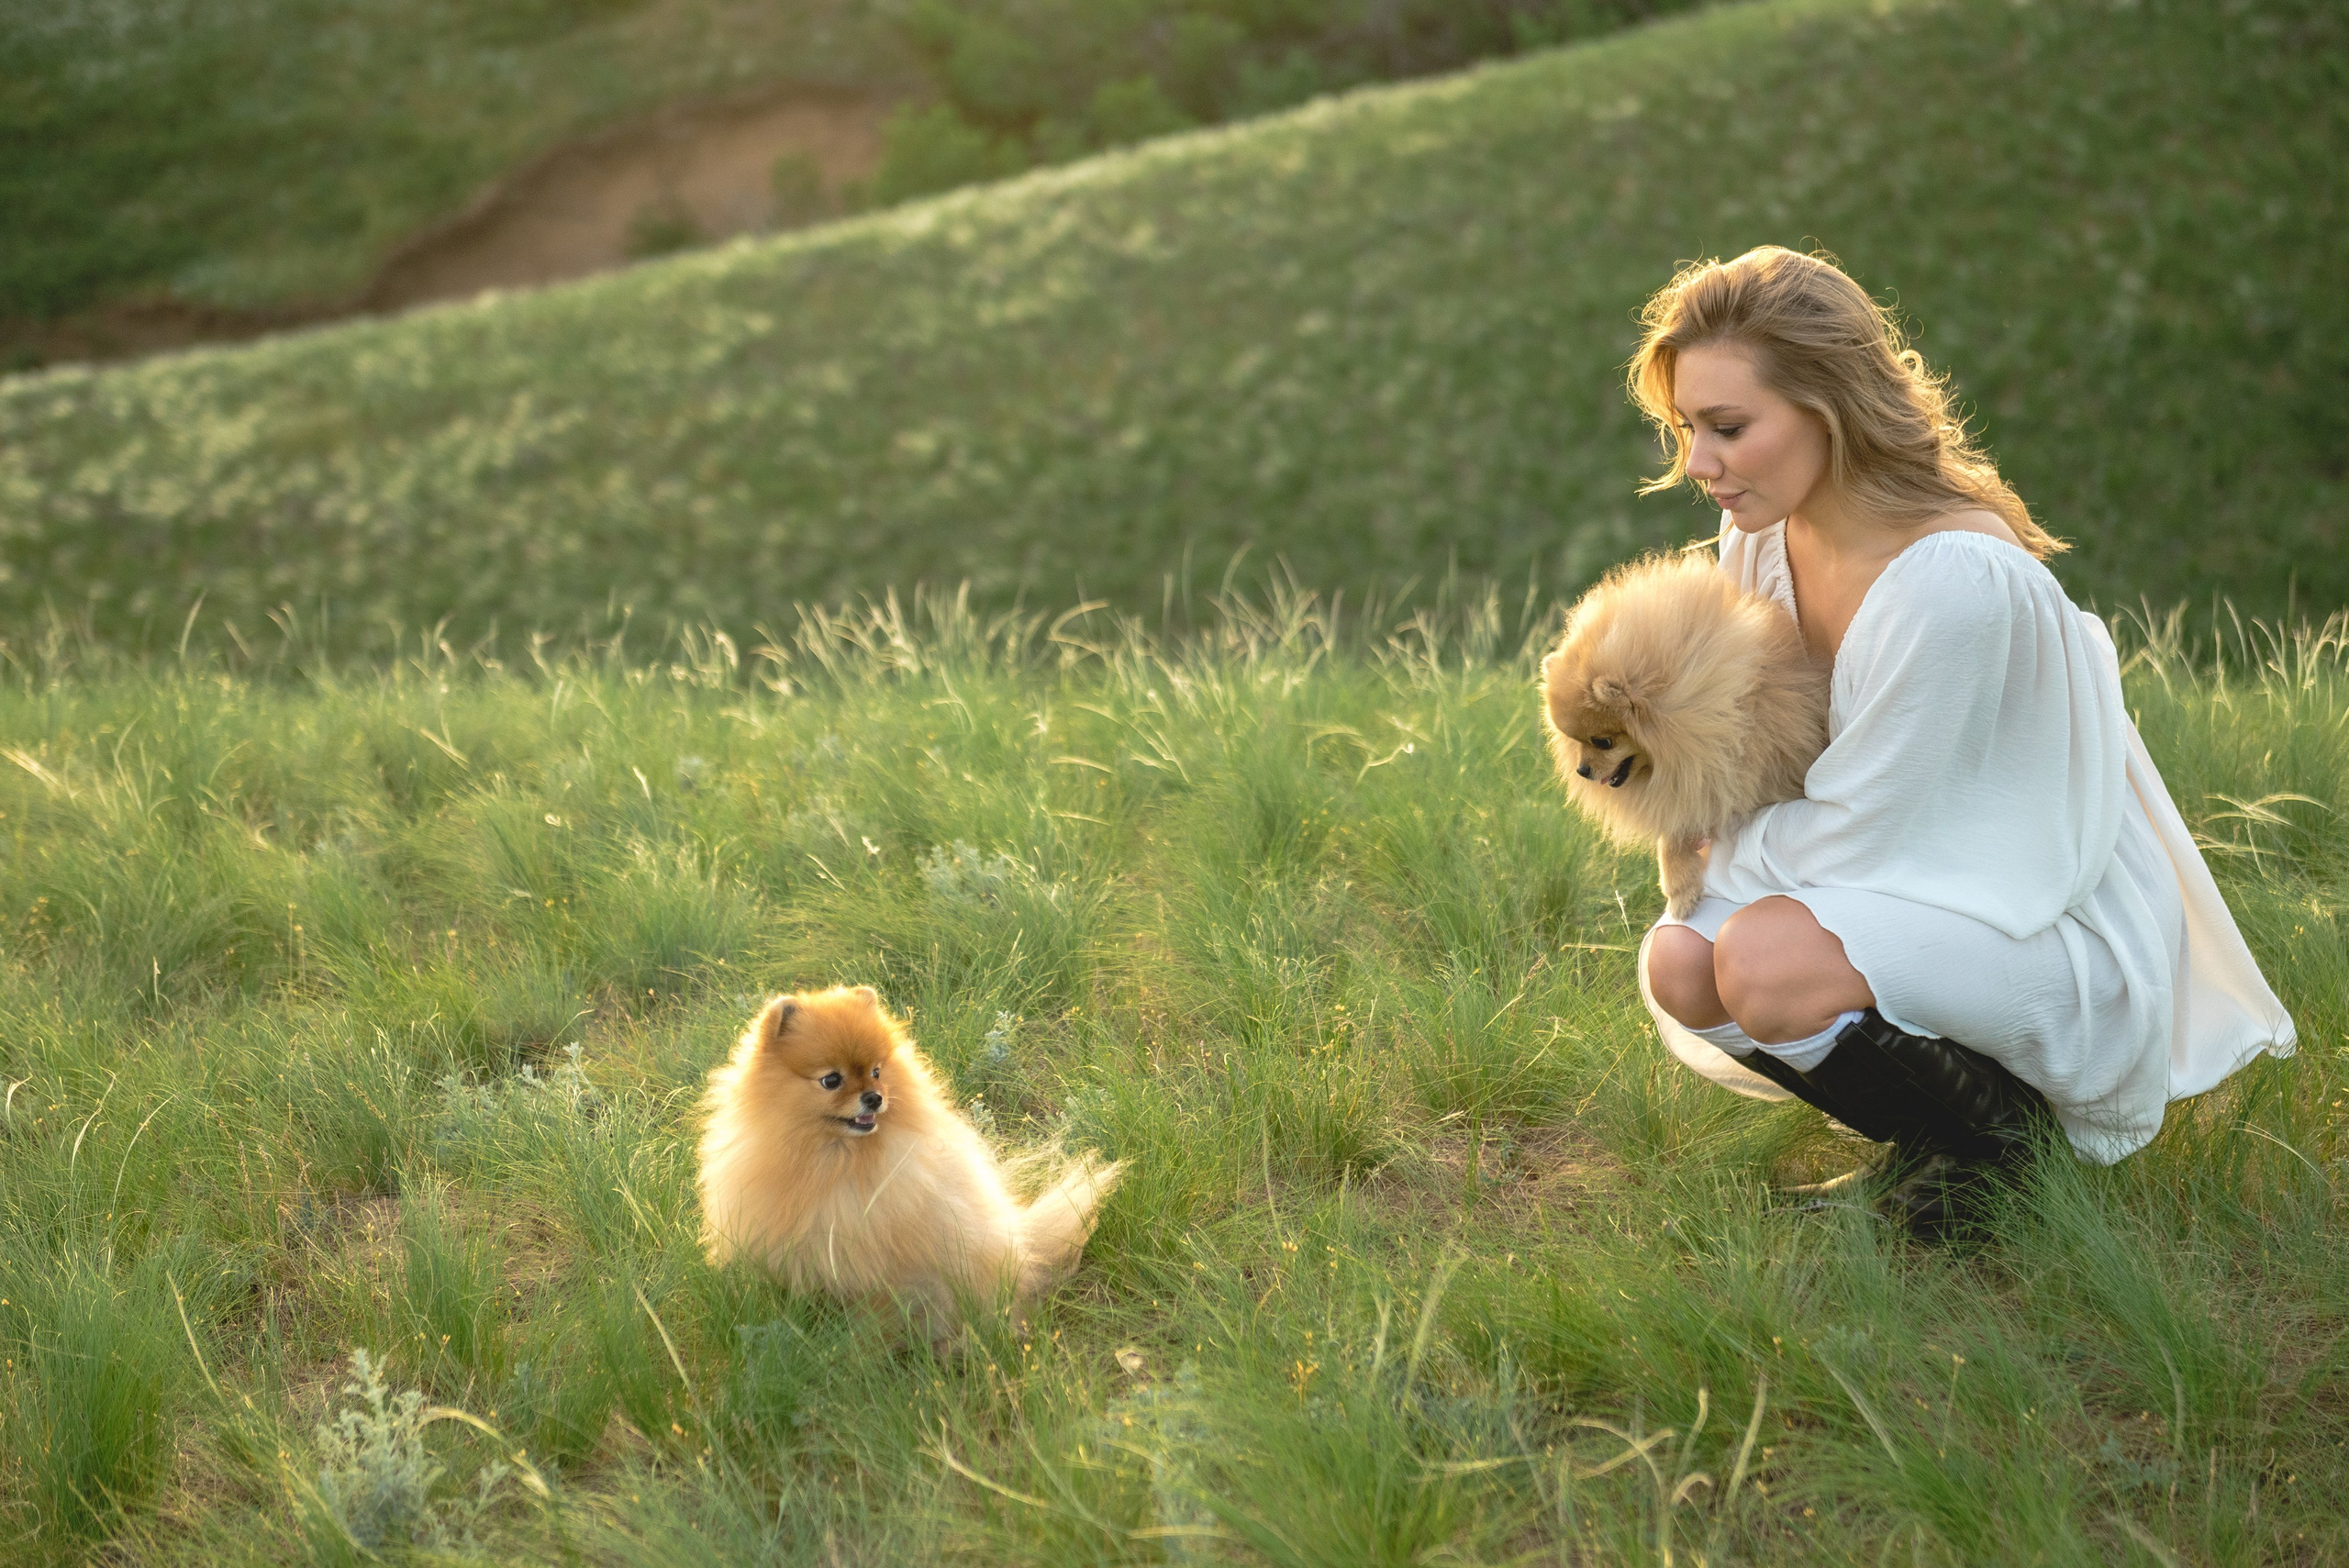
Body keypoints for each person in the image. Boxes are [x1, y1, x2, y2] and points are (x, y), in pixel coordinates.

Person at [1627, 247, 2296, 1233]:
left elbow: (1865, 836)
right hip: (1899, 887)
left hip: (2039, 921)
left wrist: (1716, 842)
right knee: (1682, 963)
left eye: (1728, 427)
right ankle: (1942, 1147)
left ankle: (2008, 1160)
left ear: (1828, 407)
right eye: (1688, 428)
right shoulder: (1761, 537)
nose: (1698, 462)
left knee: (1760, 960)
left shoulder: (1949, 583)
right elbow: (1756, 753)